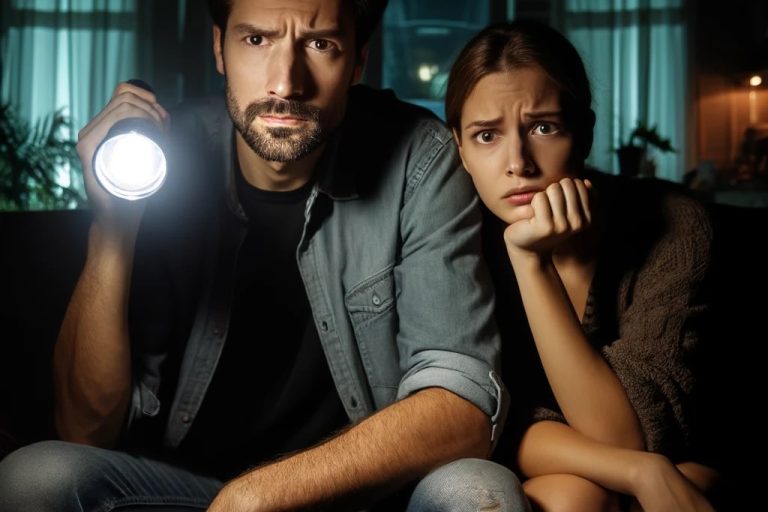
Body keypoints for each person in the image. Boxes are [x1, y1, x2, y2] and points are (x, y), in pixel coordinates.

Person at [0, 1, 529, 511]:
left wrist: (258, 497)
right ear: (219, 47)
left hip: (367, 495)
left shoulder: (420, 157)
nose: (286, 83)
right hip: (190, 492)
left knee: (478, 490)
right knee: (35, 477)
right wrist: (113, 229)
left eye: (320, 43)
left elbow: (462, 408)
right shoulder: (157, 155)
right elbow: (85, 431)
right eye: (256, 40)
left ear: (359, 59)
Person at [442, 20, 719, 511]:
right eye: (486, 136)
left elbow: (629, 431)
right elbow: (489, 425)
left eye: (543, 127)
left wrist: (643, 464)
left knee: (688, 481)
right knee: (571, 497)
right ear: (460, 150)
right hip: (561, 472)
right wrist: (637, 471)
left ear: (584, 133)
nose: (518, 163)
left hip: (678, 454)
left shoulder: (674, 223)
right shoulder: (454, 241)